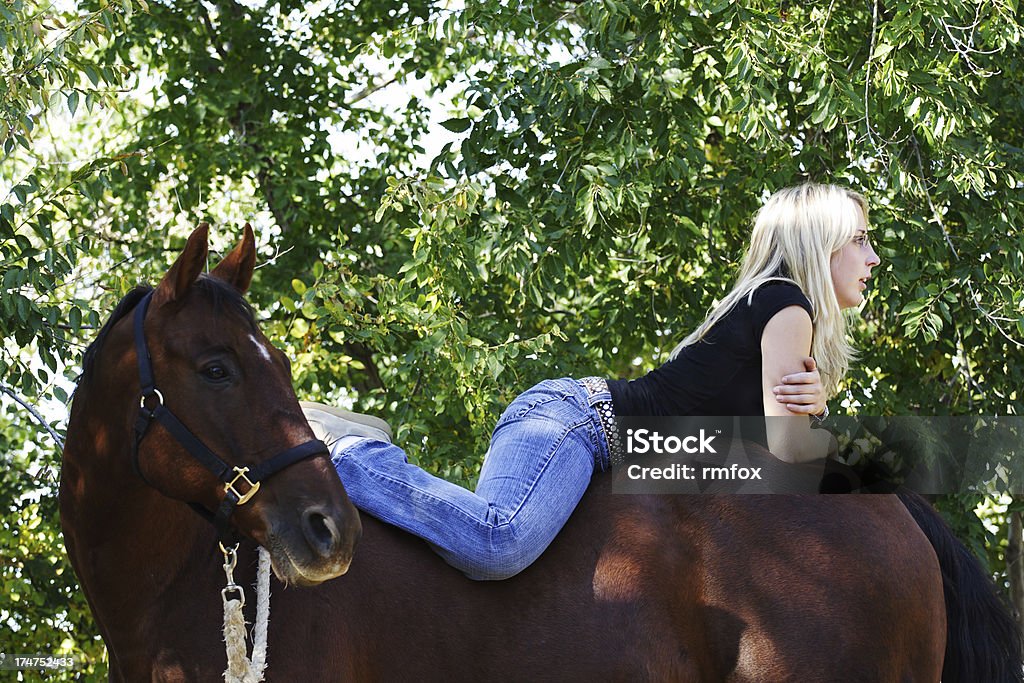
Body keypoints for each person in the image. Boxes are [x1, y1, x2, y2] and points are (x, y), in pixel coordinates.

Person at [302, 182, 881, 580]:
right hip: (576, 425)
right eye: (858, 239)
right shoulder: (787, 303)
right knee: (497, 545)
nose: (873, 257)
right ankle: (350, 455)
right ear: (818, 243)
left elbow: (750, 455)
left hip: (583, 425)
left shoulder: (776, 306)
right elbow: (787, 459)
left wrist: (815, 407)